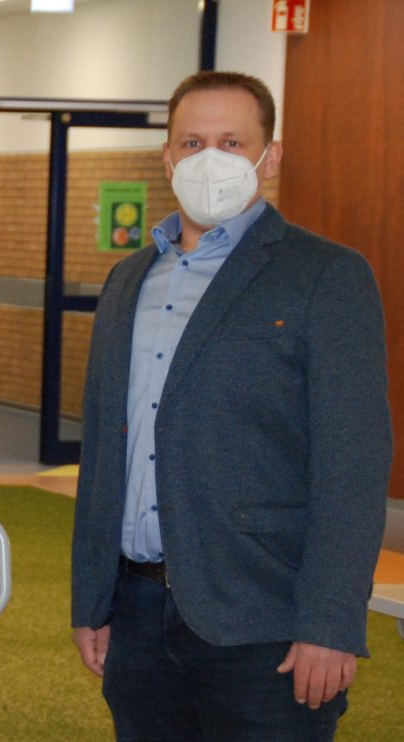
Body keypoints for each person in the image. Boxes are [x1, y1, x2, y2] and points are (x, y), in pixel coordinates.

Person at [71, 71, 392, 740]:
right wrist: (92, 599)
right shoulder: (130, 280)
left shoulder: (325, 276)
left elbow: (352, 465)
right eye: (191, 141)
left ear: (268, 157)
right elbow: (106, 448)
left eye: (231, 141)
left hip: (264, 622)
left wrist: (330, 624)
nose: (208, 158)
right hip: (135, 615)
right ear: (166, 157)